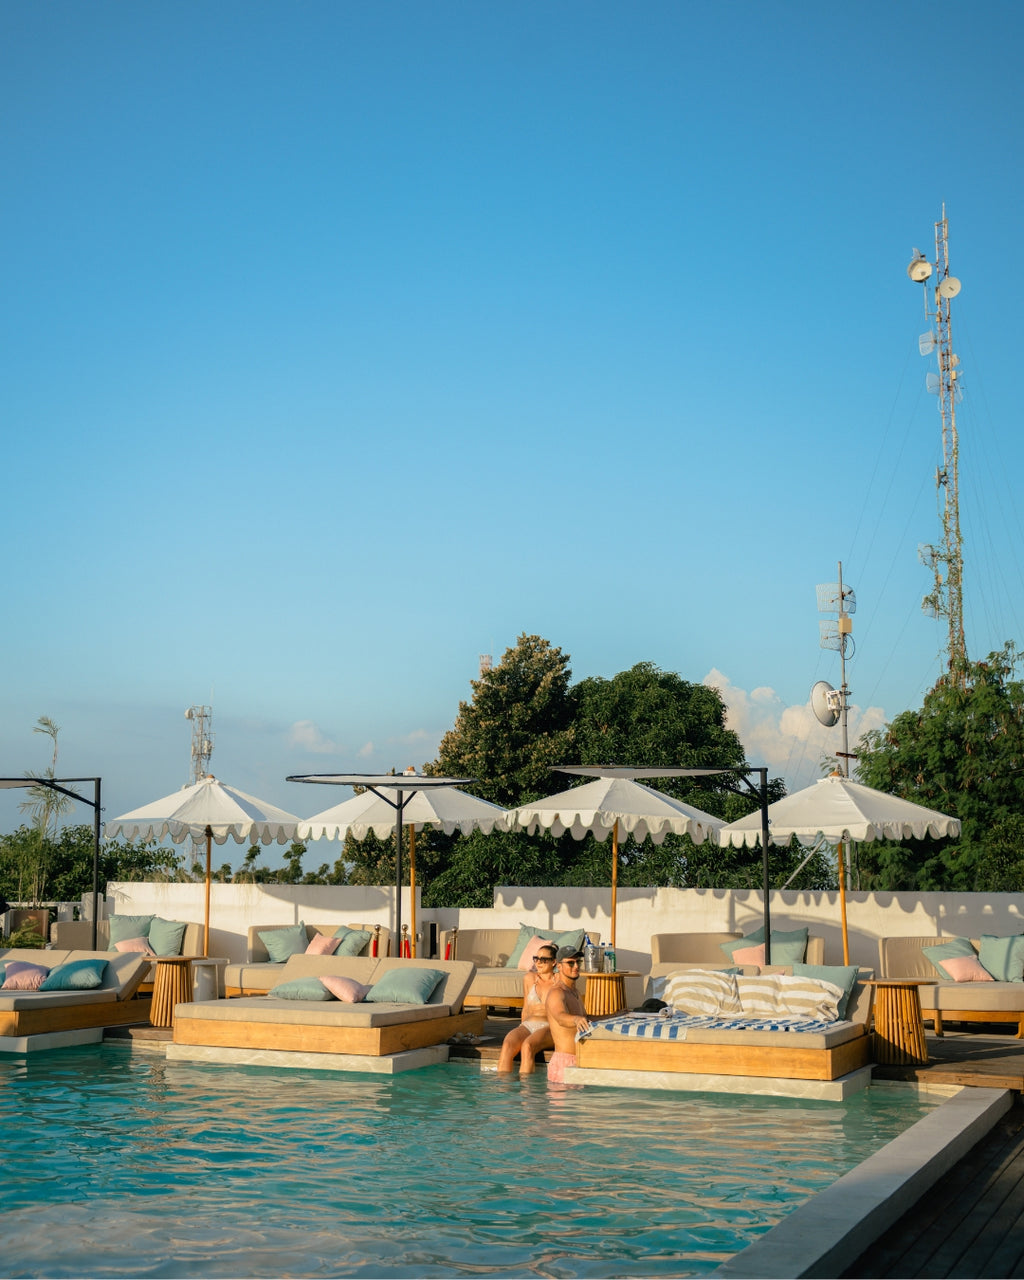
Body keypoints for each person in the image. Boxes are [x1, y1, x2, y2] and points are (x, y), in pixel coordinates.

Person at [496, 942, 558, 1074]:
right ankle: (502, 1090)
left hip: (550, 1027)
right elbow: (525, 1008)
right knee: (507, 1045)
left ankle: (527, 1090)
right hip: (528, 1025)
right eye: (537, 959)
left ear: (554, 962)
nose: (539, 962)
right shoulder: (529, 979)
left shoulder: (559, 982)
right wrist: (521, 1028)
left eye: (544, 959)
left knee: (527, 1047)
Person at [544, 945, 591, 1084]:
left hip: (580, 1061)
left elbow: (586, 1019)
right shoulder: (556, 993)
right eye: (570, 963)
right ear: (559, 966)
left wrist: (615, 1015)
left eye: (578, 962)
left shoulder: (574, 992)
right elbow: (560, 1017)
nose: (576, 966)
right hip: (564, 1063)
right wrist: (576, 1019)